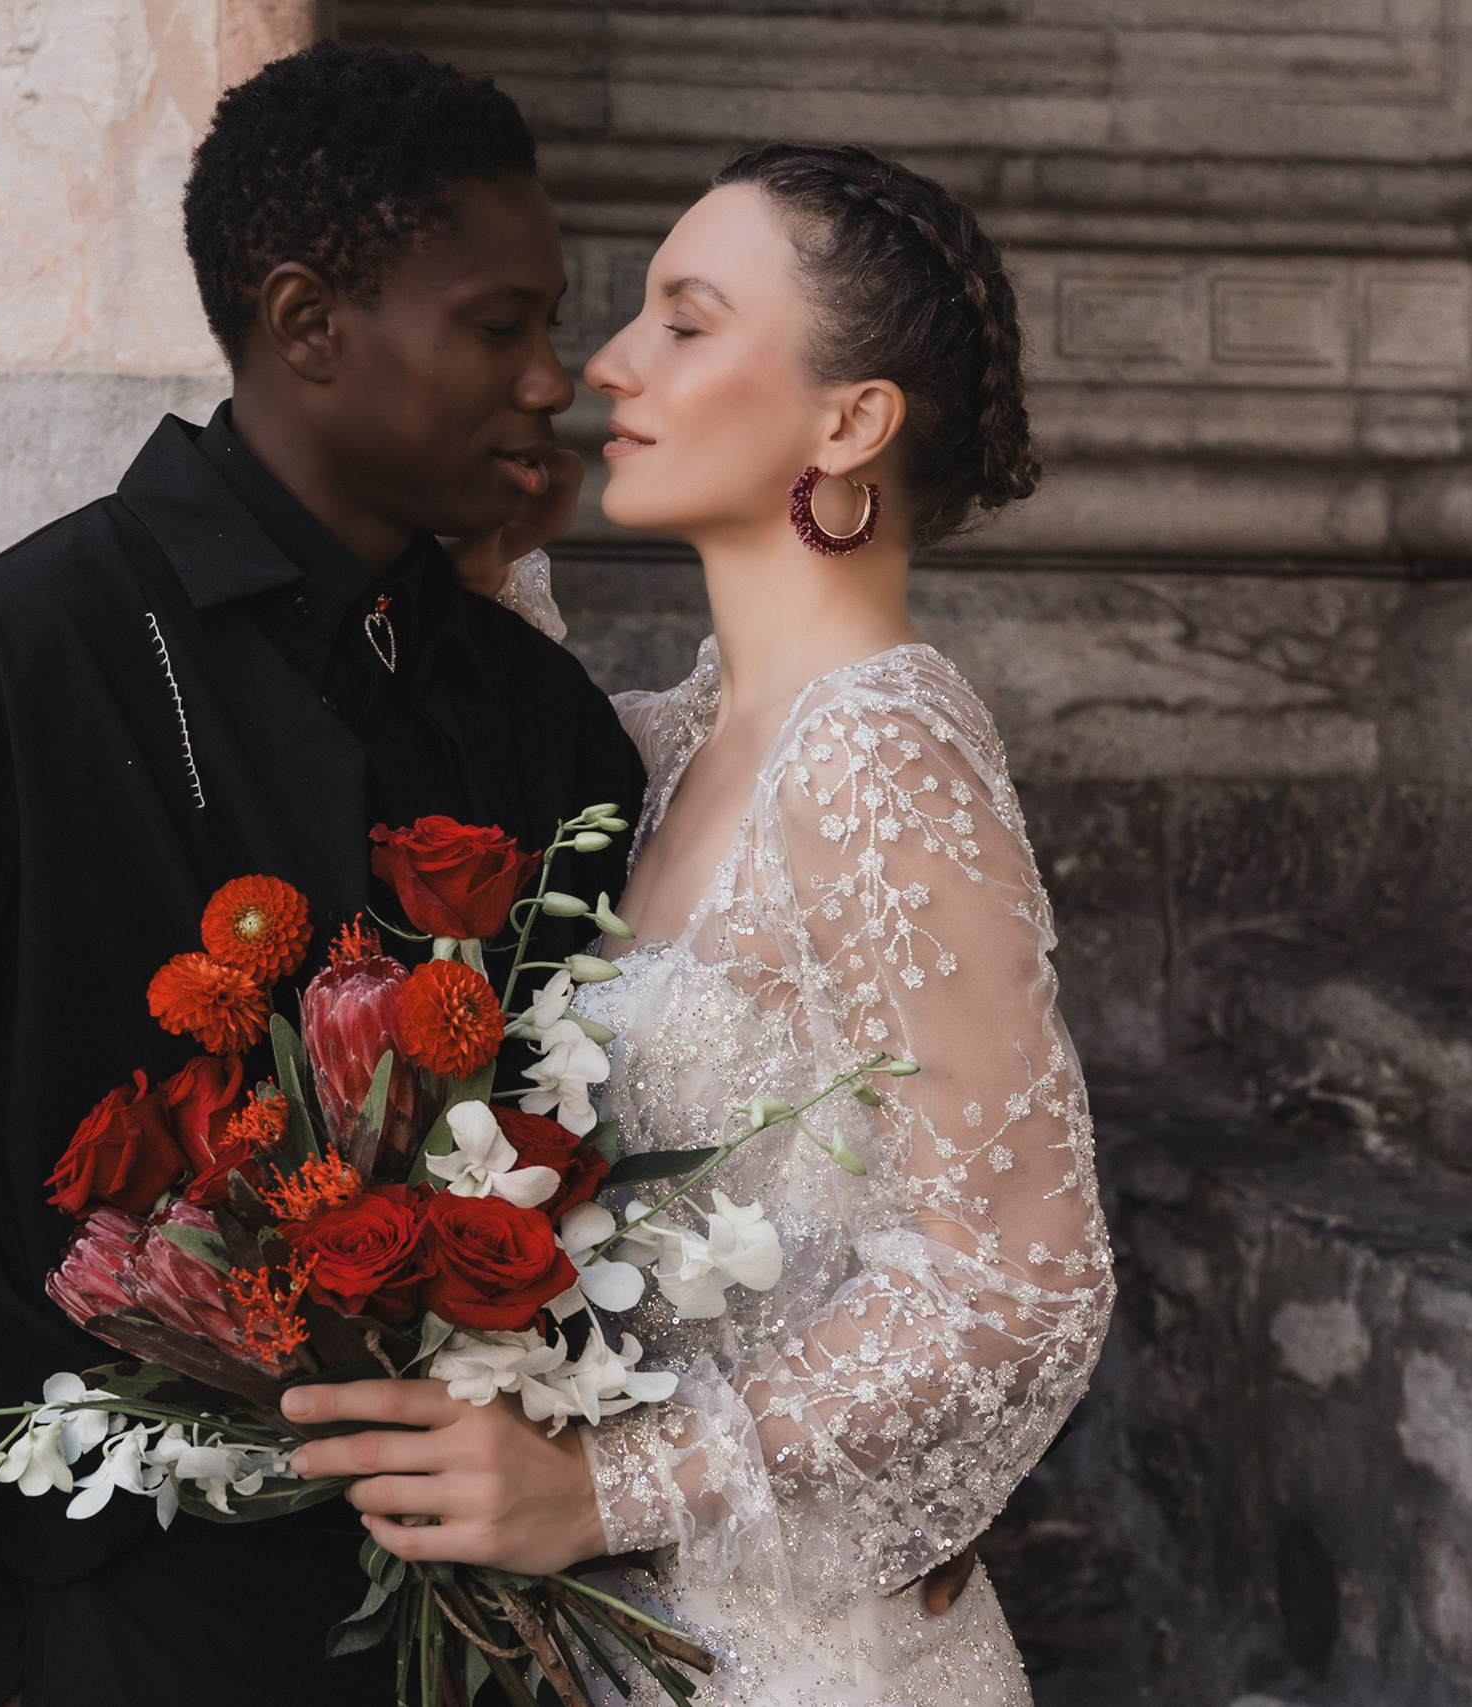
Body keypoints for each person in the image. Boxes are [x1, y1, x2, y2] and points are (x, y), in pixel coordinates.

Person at [0, 45, 645, 1707]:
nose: (553, 382)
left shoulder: (535, 722)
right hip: (89, 1640)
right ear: (311, 322)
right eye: (500, 325)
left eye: (550, 327)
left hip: (480, 1641)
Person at [282, 144, 1114, 1703]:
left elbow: (1018, 1278)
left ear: (851, 420)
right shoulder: (660, 747)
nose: (605, 364)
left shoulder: (878, 746)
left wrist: (607, 1491)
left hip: (803, 1662)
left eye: (684, 320)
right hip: (621, 1646)